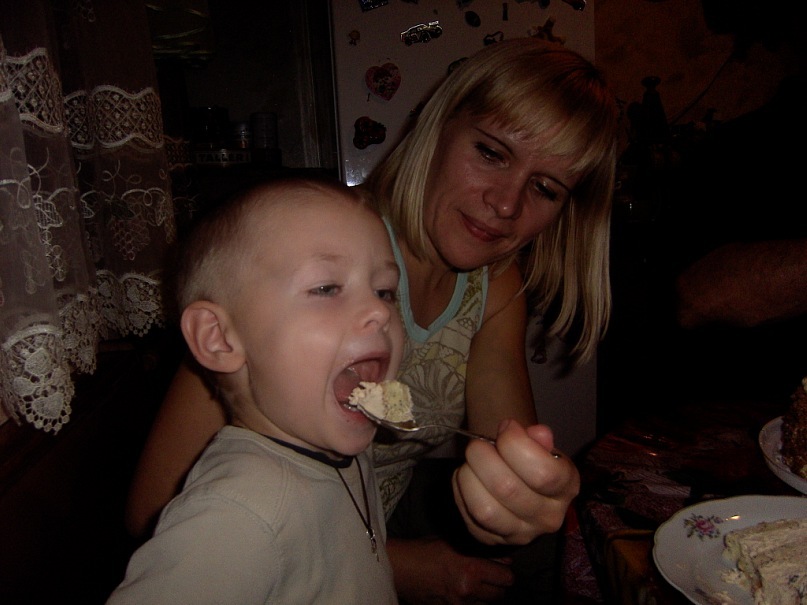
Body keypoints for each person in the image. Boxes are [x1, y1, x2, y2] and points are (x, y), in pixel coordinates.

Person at [126, 37, 620, 603]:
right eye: (490, 152)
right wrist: (401, 566)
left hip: (366, 527)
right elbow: (154, 510)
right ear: (437, 125)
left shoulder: (497, 284)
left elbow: (504, 457)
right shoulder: (312, 243)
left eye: (545, 188)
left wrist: (521, 497)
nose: (506, 204)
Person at [109, 178, 403, 604]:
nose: (379, 311)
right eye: (326, 288)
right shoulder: (235, 513)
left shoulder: (339, 447)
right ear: (218, 338)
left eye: (385, 291)